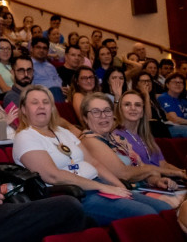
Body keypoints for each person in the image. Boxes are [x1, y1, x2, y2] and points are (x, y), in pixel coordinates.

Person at [13, 85, 172, 226]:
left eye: (46, 102)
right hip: (75, 196)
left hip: (97, 185)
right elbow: (52, 176)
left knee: (164, 208)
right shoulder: (25, 137)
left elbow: (94, 163)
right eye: (35, 103)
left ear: (52, 108)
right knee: (147, 214)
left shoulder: (63, 132)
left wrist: (120, 187)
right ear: (24, 109)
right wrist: (103, 187)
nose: (41, 106)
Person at [79, 92, 180, 208]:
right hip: (115, 194)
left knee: (178, 203)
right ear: (85, 118)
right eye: (96, 112)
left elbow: (140, 167)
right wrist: (153, 169)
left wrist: (156, 181)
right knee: (167, 207)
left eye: (107, 110)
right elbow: (124, 174)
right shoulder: (90, 140)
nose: (103, 116)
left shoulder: (117, 139)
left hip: (138, 188)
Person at [114, 90, 187, 175]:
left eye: (138, 105)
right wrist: (179, 173)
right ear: (120, 110)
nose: (133, 108)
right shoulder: (116, 136)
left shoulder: (147, 136)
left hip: (162, 180)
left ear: (142, 112)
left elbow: (163, 164)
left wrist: (183, 173)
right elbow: (136, 170)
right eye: (127, 104)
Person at [31, 36, 66, 102]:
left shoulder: (51, 67)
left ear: (47, 51)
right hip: (42, 96)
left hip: (59, 94)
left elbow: (58, 81)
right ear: (32, 49)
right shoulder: (29, 65)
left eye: (44, 48)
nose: (41, 50)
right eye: (38, 47)